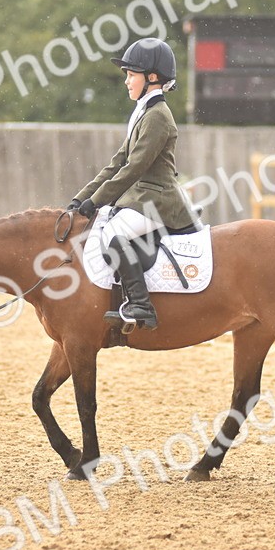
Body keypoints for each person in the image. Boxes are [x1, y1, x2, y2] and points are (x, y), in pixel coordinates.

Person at [67, 37, 196, 331]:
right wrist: (82, 198)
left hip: (159, 200)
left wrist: (98, 201)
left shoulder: (158, 117)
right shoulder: (143, 113)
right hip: (142, 198)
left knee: (113, 234)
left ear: (152, 78)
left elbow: (135, 168)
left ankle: (141, 304)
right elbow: (116, 163)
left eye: (131, 75)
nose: (126, 81)